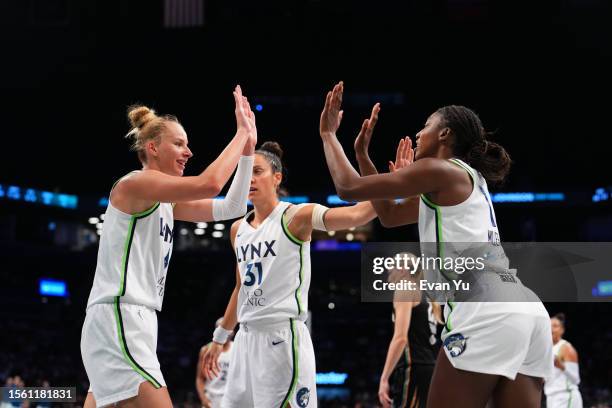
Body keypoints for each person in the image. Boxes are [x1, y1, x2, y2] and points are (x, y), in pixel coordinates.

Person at [318, 81, 553, 407]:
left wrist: (329, 135)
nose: (418, 133)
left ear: (445, 134)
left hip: (485, 309)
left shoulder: (440, 170)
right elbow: (389, 215)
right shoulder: (465, 180)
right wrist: (362, 155)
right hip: (525, 310)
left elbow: (348, 188)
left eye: (426, 125)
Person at [81, 85, 257, 408]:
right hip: (120, 315)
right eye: (179, 144)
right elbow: (211, 183)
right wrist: (240, 133)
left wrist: (248, 151)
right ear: (152, 147)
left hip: (135, 320)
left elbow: (231, 206)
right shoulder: (135, 183)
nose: (189, 152)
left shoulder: (167, 203)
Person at [201, 141, 378, 408]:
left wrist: (392, 187)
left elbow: (357, 214)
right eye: (245, 172)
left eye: (257, 171)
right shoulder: (238, 229)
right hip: (244, 341)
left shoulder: (296, 216)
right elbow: (240, 289)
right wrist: (219, 338)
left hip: (281, 338)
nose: (249, 178)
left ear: (277, 178)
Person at [378, 253, 442, 408]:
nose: (389, 269)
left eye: (392, 265)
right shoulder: (425, 294)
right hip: (430, 367)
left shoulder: (405, 288)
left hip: (414, 367)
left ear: (403, 269)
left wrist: (384, 378)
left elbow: (401, 338)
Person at [544, 313, 582, 408]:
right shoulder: (546, 349)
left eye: (555, 326)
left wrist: (561, 366)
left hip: (566, 396)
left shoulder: (566, 348)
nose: (551, 328)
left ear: (562, 330)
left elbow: (576, 379)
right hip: (550, 397)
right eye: (549, 326)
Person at [196, 318, 234, 408]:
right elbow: (200, 378)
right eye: (221, 328)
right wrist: (203, 399)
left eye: (228, 329)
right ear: (216, 331)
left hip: (231, 398)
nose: (225, 332)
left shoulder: (239, 348)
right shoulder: (205, 350)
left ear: (233, 331)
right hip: (211, 398)